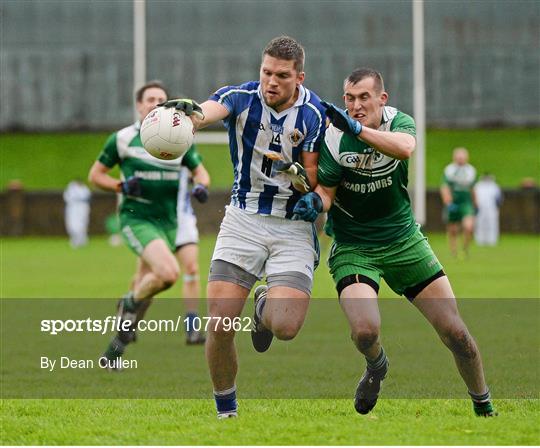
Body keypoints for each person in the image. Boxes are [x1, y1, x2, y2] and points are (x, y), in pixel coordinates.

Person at [293, 68, 496, 417]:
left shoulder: (398, 123)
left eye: (364, 98)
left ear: (381, 99)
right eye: (350, 99)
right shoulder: (332, 138)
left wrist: (359, 130)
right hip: (354, 246)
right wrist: (315, 203)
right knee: (364, 331)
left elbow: (405, 149)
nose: (356, 106)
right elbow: (326, 191)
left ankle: (483, 404)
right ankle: (376, 366)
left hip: (404, 241)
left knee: (456, 333)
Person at [161, 35, 326, 418]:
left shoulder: (314, 115)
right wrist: (188, 117)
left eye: (282, 76)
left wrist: (303, 183)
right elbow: (210, 110)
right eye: (266, 72)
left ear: (299, 77)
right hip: (243, 220)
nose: (271, 81)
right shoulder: (242, 97)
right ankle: (227, 410)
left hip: (292, 226)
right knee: (219, 322)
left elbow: (314, 180)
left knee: (285, 327)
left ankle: (264, 305)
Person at [88, 80, 209, 369]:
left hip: (168, 222)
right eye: (150, 98)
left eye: (162, 99)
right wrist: (121, 185)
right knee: (168, 273)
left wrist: (201, 187)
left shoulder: (178, 138)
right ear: (139, 105)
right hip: (137, 218)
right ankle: (128, 302)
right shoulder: (121, 139)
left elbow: (201, 173)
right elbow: (95, 176)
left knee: (148, 287)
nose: (156, 103)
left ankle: (114, 351)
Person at [175, 165, 210, 344]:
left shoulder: (184, 147)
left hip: (183, 220)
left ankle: (192, 329)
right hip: (155, 219)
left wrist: (200, 185)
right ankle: (129, 318)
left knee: (191, 269)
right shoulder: (147, 146)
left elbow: (200, 173)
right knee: (152, 276)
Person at [440, 147, 477, 258]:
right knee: (453, 230)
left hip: (466, 203)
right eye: (458, 157)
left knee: (469, 226)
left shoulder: (471, 171)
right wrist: (448, 201)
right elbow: (445, 187)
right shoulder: (449, 170)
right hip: (453, 203)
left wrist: (476, 202)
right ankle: (454, 252)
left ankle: (465, 248)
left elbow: (473, 188)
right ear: (454, 158)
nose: (461, 159)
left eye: (462, 157)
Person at [474, 173, 502, 246]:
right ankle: (480, 240)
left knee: (492, 224)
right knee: (480, 224)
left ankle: (492, 240)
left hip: (491, 207)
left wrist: (498, 206)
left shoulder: (494, 186)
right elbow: (474, 196)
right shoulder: (478, 186)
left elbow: (499, 198)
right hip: (480, 207)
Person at [63, 178, 91, 248]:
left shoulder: (85, 189)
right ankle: (74, 240)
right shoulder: (71, 188)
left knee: (82, 224)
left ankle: (82, 240)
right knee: (72, 225)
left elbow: (88, 198)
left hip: (82, 208)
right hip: (73, 208)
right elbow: (67, 198)